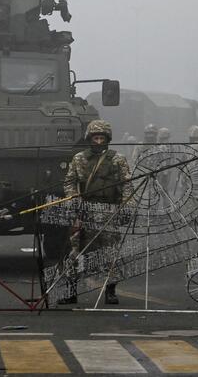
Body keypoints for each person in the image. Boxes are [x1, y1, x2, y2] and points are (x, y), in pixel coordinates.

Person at [60, 119, 132, 305]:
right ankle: (71, 292)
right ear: (89, 138)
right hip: (85, 211)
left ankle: (110, 291)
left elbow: (127, 185)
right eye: (95, 138)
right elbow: (69, 182)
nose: (98, 142)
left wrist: (126, 207)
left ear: (107, 139)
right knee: (75, 251)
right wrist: (75, 201)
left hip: (109, 210)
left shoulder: (118, 159)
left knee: (109, 253)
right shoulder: (79, 158)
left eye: (102, 138)